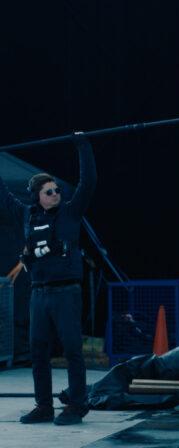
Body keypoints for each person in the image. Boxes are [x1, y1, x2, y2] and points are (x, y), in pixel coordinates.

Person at [0, 134, 96, 426]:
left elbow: (88, 182)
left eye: (56, 189)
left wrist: (83, 146)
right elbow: (2, 193)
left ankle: (77, 406)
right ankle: (44, 406)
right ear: (37, 196)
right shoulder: (27, 215)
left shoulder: (70, 212)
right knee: (38, 351)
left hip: (66, 293)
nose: (55, 193)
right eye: (48, 191)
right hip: (39, 295)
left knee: (71, 350)